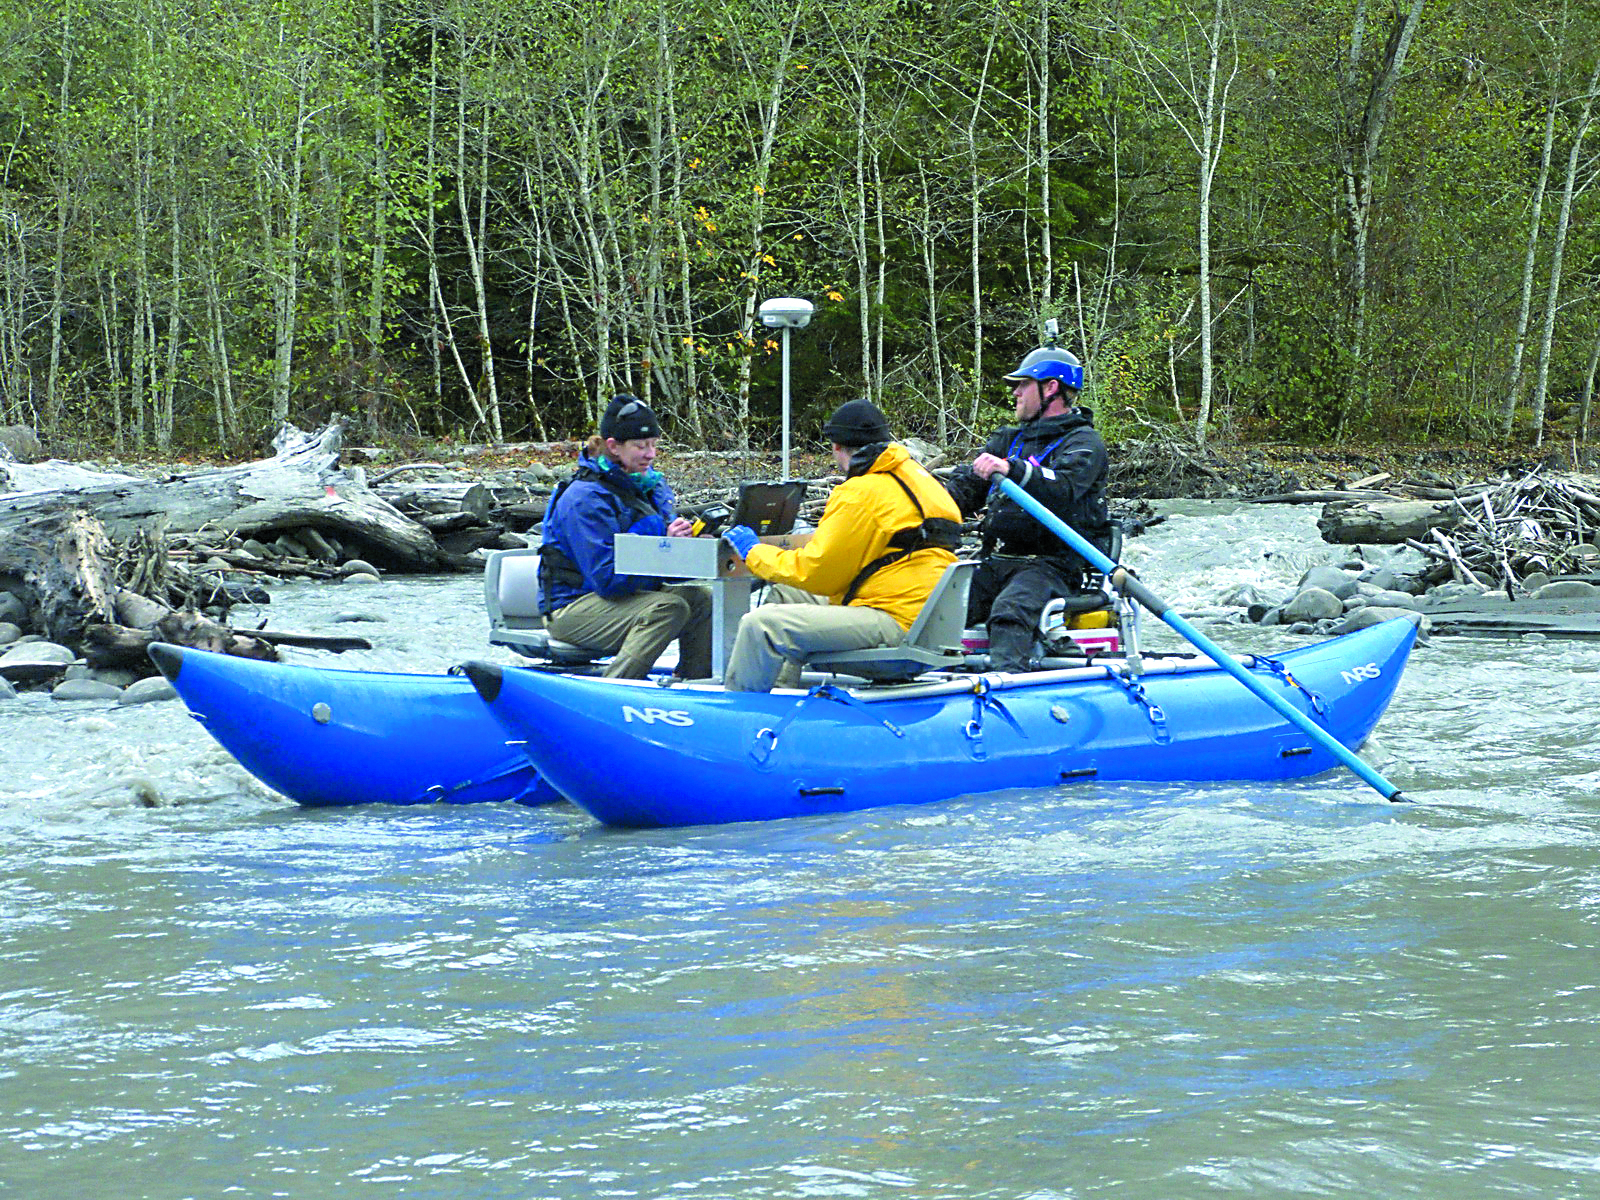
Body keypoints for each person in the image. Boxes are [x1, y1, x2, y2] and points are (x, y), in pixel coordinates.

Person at [719, 398, 963, 693]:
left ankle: (741, 714)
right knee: (787, 593)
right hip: (926, 617)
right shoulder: (919, 480)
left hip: (895, 622)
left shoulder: (860, 492)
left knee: (763, 625)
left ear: (836, 447)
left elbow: (818, 573)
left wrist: (753, 552)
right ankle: (783, 694)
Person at [942, 345, 1113, 673]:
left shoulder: (1085, 443)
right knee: (940, 604)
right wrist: (924, 503)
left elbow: (1062, 488)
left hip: (1052, 566)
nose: (1015, 392)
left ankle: (1010, 693)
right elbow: (965, 490)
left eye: (1023, 384)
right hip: (998, 562)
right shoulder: (1009, 441)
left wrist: (1013, 470)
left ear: (1051, 388)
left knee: (1010, 611)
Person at [537, 393, 712, 679]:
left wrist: (686, 548)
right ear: (613, 447)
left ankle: (696, 686)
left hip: (624, 595)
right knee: (668, 608)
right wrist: (661, 539)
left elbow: (659, 570)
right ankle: (618, 688)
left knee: (702, 600)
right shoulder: (584, 499)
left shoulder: (646, 486)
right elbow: (608, 581)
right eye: (641, 446)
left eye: (654, 445)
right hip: (572, 607)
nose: (651, 454)